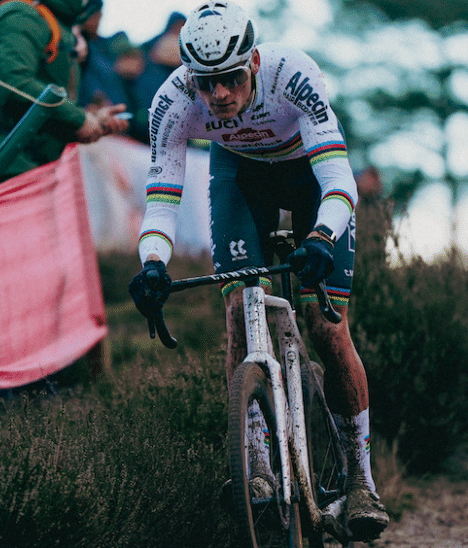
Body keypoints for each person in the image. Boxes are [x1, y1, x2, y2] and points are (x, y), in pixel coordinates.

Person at [128, 1, 389, 542]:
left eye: (228, 79)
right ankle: (257, 462)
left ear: (252, 64)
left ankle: (361, 480)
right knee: (239, 309)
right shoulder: (173, 101)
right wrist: (152, 264)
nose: (218, 95)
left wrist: (321, 235)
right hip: (240, 178)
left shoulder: (292, 74)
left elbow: (338, 179)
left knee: (326, 326)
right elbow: (161, 198)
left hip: (308, 176)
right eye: (206, 83)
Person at [0, 0, 129, 188]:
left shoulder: (55, 24)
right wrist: (79, 119)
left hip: (25, 164)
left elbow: (37, 114)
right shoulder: (23, 16)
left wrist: (91, 121)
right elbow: (17, 84)